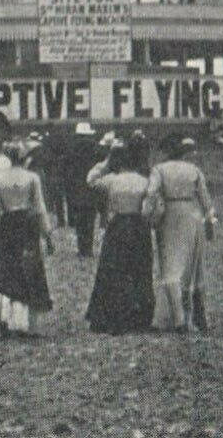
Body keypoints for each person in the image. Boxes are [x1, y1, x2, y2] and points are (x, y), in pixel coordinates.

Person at [0, 141, 54, 338]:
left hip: (7, 225)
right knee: (29, 269)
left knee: (6, 270)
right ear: (25, 158)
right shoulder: (32, 178)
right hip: (27, 225)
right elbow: (39, 208)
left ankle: (4, 316)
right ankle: (26, 321)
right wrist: (47, 234)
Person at [144, 135, 215, 332]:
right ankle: (198, 315)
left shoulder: (160, 170)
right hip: (192, 214)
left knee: (171, 267)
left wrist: (147, 215)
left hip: (171, 215)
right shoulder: (193, 170)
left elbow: (151, 193)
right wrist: (210, 221)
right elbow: (205, 198)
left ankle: (179, 319)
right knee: (194, 266)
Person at [84, 138, 155, 334]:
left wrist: (106, 161)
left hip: (118, 225)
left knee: (114, 270)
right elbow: (152, 204)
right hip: (138, 225)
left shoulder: (112, 180)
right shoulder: (144, 181)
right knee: (139, 269)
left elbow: (91, 180)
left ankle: (111, 316)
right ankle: (138, 315)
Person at [65, 122, 104, 258]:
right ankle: (88, 249)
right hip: (91, 188)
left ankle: (81, 248)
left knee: (79, 221)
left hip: (77, 189)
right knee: (90, 220)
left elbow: (68, 171)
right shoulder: (96, 149)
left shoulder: (72, 150)